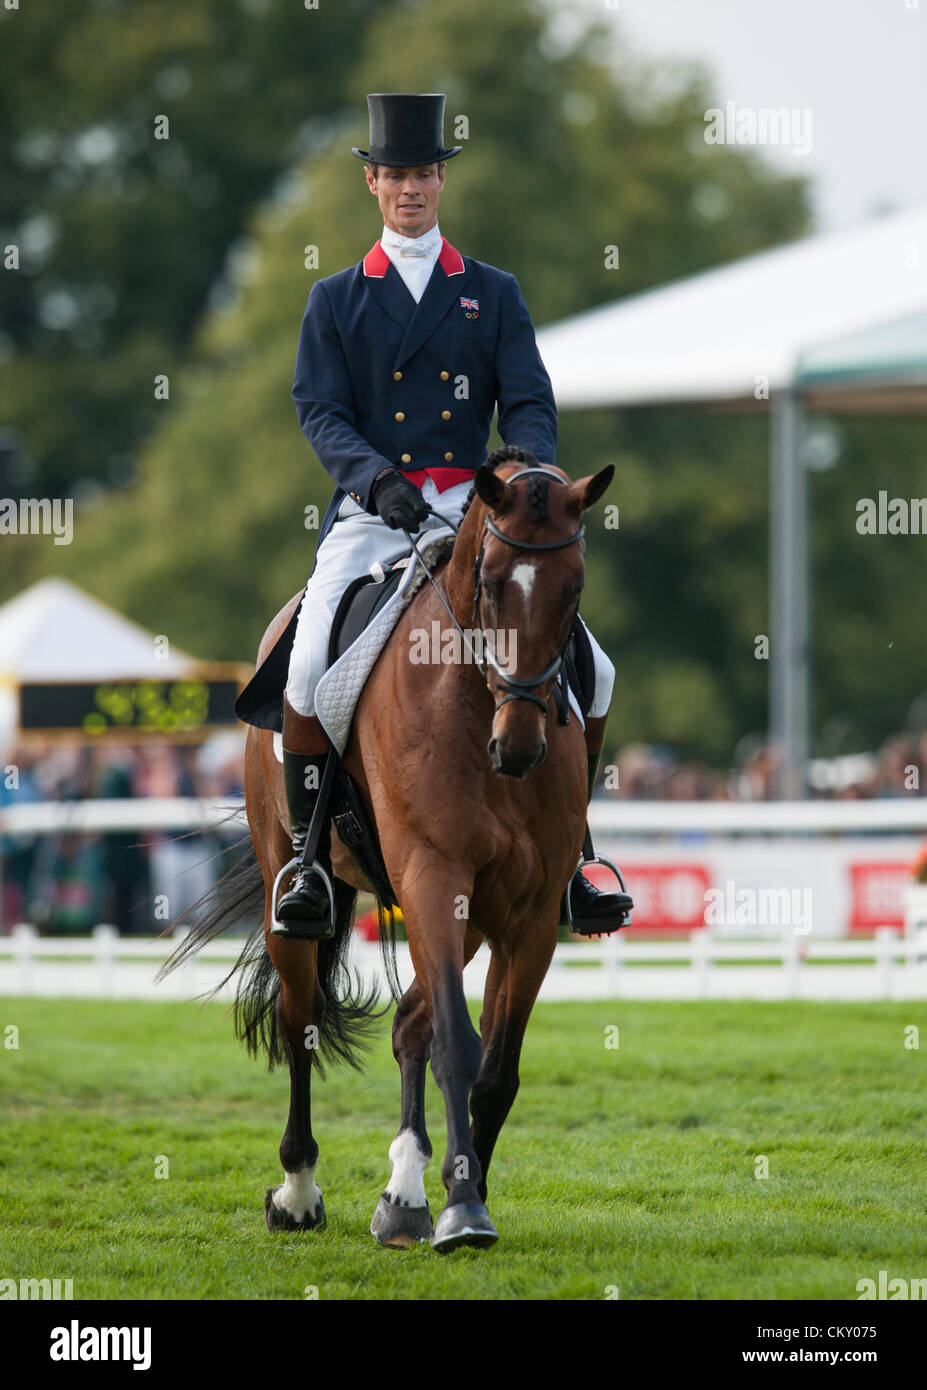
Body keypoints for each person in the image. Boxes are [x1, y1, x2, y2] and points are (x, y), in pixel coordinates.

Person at [277, 92, 630, 939]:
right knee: (301, 668)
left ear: (440, 181)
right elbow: (320, 412)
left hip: (481, 506)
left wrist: (527, 477)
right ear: (373, 185)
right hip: (374, 512)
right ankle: (308, 858)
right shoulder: (336, 298)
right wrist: (374, 480)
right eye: (394, 175)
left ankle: (576, 854)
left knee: (600, 672)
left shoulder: (490, 292)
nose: (409, 189)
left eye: (423, 175)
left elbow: (531, 402)